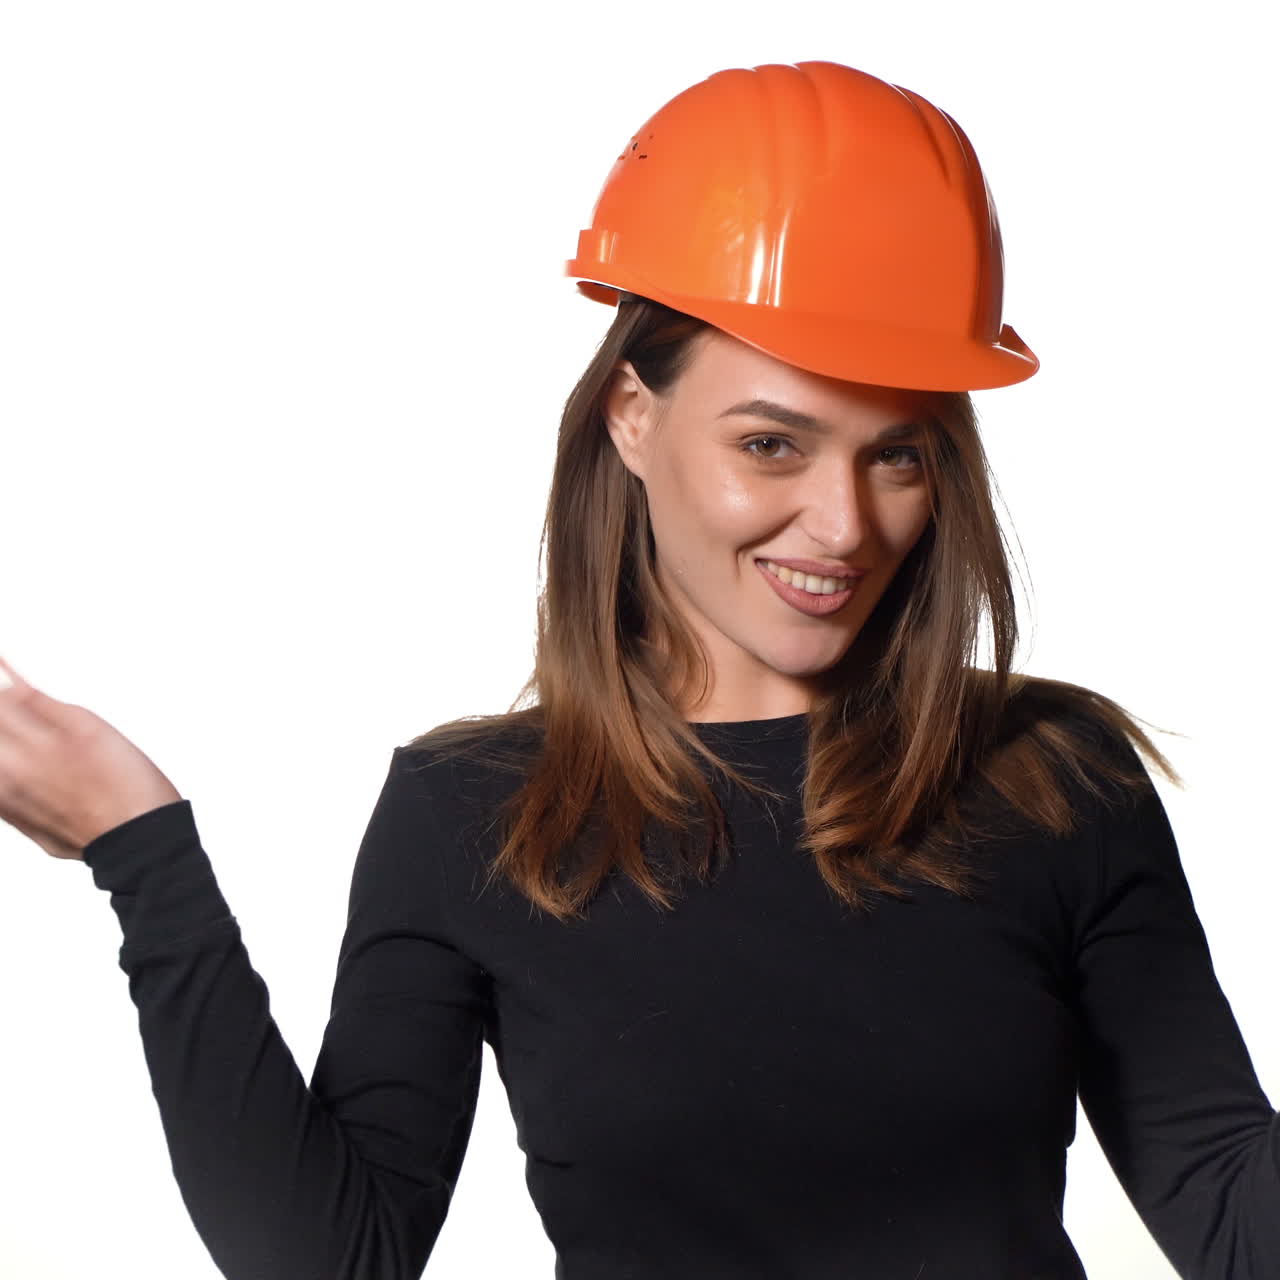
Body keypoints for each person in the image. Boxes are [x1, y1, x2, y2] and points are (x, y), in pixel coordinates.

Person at [1, 58, 1276, 1280]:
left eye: (898, 454)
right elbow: (332, 1256)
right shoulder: (471, 815)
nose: (843, 522)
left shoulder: (1049, 785)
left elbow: (1231, 1210)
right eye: (772, 442)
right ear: (629, 415)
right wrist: (140, 849)